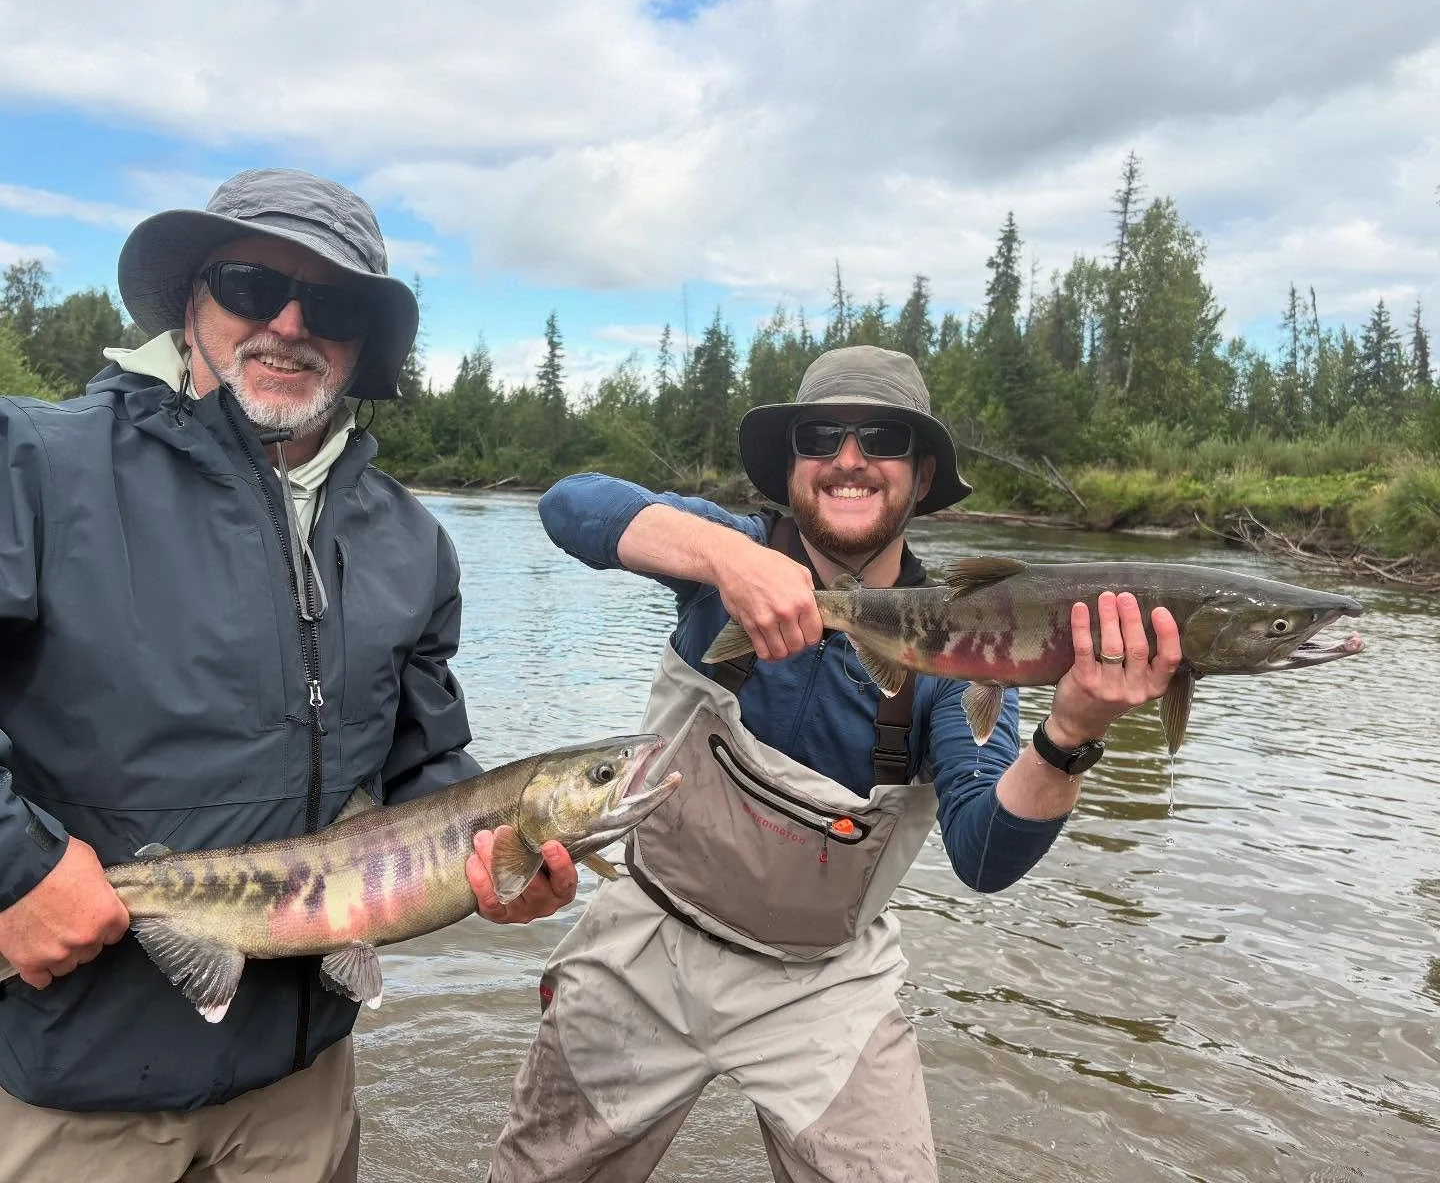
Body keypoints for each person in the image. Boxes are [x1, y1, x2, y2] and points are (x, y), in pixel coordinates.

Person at [482, 344, 1183, 1182]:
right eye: (822, 436)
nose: (849, 459)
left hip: (824, 983)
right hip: (649, 939)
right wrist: (725, 559)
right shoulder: (725, 556)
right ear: (792, 468)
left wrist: (1070, 733)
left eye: (882, 439)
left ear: (920, 478)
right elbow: (572, 505)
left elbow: (985, 854)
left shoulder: (974, 641)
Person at [0, 168, 577, 1183]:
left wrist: (499, 860)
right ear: (191, 299)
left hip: (300, 1091)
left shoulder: (414, 543)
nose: (291, 321)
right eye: (250, 283)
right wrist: (12, 869)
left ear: (365, 342)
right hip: (68, 1086)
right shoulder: (34, 465)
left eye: (338, 302)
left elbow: (427, 763)